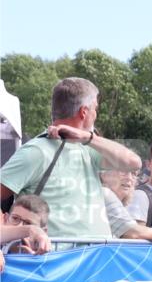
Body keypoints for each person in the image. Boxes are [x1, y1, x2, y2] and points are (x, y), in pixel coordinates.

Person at [0, 77, 141, 238]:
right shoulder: (37, 151)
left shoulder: (89, 148)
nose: (96, 115)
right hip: (56, 260)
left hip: (95, 258)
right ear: (84, 112)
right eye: (95, 109)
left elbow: (133, 163)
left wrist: (87, 138)